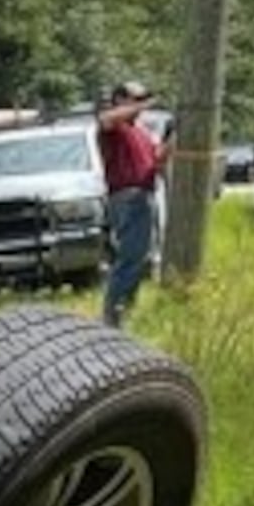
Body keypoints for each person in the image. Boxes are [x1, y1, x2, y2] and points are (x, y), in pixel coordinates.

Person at [95, 79, 166, 326]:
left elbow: (157, 159)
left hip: (145, 195)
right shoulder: (112, 126)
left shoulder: (142, 133)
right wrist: (146, 104)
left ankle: (124, 310)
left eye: (143, 99)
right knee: (130, 258)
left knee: (141, 258)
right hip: (127, 197)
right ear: (120, 100)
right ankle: (113, 315)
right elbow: (106, 119)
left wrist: (174, 139)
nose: (142, 105)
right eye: (137, 99)